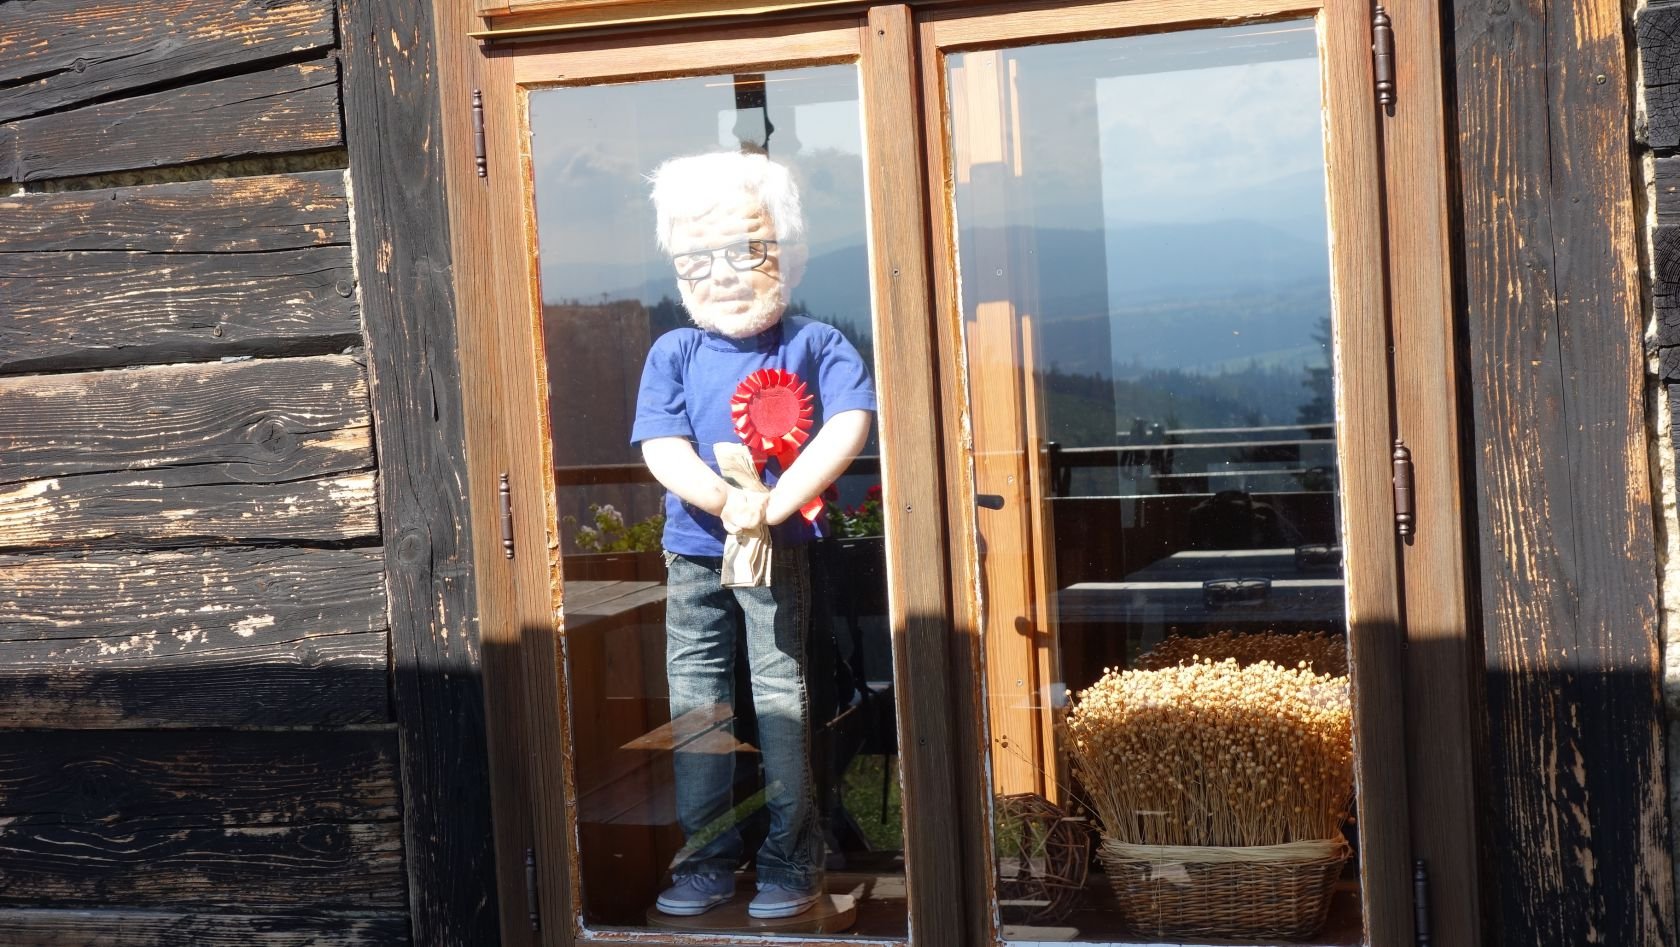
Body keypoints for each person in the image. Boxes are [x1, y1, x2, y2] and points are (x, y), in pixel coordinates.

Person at [631, 150, 876, 920]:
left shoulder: (817, 344)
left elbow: (849, 423)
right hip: (693, 554)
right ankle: (704, 859)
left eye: (747, 250)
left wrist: (774, 505)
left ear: (789, 256)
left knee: (784, 698)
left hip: (784, 554)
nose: (724, 273)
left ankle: (794, 861)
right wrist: (724, 499)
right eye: (698, 257)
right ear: (678, 267)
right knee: (696, 701)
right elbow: (660, 444)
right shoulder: (672, 352)